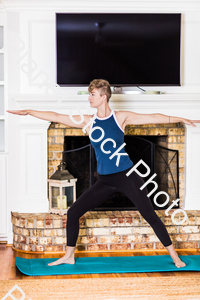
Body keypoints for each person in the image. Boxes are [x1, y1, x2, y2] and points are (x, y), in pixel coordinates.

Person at [7, 79, 200, 269]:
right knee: (73, 212)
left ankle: (174, 256)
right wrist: (30, 112)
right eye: (89, 94)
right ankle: (69, 256)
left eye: (92, 94)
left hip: (128, 176)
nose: (89, 98)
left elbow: (154, 117)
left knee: (150, 214)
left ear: (104, 96)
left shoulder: (120, 117)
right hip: (105, 181)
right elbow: (57, 116)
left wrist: (181, 119)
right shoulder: (89, 122)